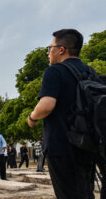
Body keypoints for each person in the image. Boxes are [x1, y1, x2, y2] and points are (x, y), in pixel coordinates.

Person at [27, 29, 100, 198]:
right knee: (85, 192)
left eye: (50, 47)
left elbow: (46, 105)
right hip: (88, 144)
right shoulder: (90, 72)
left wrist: (31, 118)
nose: (48, 52)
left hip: (62, 146)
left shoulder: (55, 71)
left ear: (61, 49)